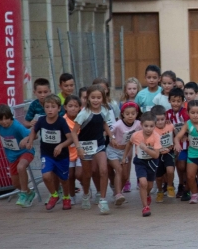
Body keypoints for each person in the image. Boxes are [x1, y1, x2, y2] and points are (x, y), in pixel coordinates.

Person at [70, 85, 115, 213]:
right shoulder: (84, 113)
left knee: (104, 170)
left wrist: (111, 136)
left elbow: (104, 123)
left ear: (103, 98)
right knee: (87, 173)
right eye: (93, 97)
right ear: (88, 98)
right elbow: (74, 133)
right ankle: (85, 195)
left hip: (99, 144)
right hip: (85, 146)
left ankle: (103, 199)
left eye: (98, 97)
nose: (96, 100)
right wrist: (78, 147)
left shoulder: (104, 110)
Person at [24, 94, 73, 211]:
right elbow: (33, 131)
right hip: (47, 154)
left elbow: (70, 138)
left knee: (64, 180)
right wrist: (30, 140)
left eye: (53, 107)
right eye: (47, 107)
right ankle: (54, 195)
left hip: (61, 156)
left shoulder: (61, 122)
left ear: (59, 108)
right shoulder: (41, 120)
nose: (50, 109)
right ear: (44, 108)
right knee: (46, 175)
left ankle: (66, 197)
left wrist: (61, 145)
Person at [122, 112, 160, 217]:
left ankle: (147, 194)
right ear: (141, 125)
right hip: (140, 161)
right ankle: (145, 207)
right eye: (146, 126)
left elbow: (156, 155)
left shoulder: (156, 137)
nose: (148, 129)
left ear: (155, 126)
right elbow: (129, 144)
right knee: (143, 183)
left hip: (152, 162)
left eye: (151, 126)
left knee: (150, 185)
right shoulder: (136, 135)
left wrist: (146, 148)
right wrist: (124, 156)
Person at [111, 101, 141, 201]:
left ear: (137, 114)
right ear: (122, 114)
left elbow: (147, 127)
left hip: (124, 151)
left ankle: (117, 191)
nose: (130, 116)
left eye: (133, 113)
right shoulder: (118, 125)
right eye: (127, 114)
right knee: (118, 170)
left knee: (125, 175)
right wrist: (113, 139)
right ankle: (118, 194)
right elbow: (108, 133)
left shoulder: (138, 124)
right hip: (113, 150)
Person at [165, 89, 190, 200]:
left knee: (184, 166)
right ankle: (181, 184)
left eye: (178, 101)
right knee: (178, 165)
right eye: (173, 101)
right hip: (172, 144)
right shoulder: (167, 114)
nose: (175, 103)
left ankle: (187, 186)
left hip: (186, 143)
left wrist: (186, 134)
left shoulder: (185, 113)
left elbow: (189, 125)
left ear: (182, 101)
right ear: (169, 100)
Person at [151, 105, 175, 203]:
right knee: (159, 176)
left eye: (162, 119)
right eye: (157, 120)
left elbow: (176, 135)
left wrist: (175, 143)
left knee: (170, 170)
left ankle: (170, 186)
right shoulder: (151, 129)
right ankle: (160, 191)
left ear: (166, 117)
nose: (160, 122)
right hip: (157, 154)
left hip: (169, 152)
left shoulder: (170, 125)